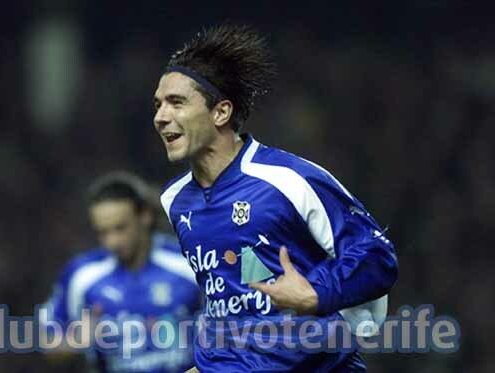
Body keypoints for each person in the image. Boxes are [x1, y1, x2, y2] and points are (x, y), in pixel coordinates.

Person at [153, 24, 398, 371]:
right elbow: (228, 308)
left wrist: (315, 293)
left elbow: (377, 257)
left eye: (176, 102)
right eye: (158, 105)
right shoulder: (175, 201)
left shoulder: (288, 180)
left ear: (221, 112)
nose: (161, 117)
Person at [41, 171, 200, 373]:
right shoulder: (82, 275)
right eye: (103, 232)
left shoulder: (188, 263)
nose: (112, 242)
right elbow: (50, 346)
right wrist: (75, 341)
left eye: (120, 228)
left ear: (145, 216)